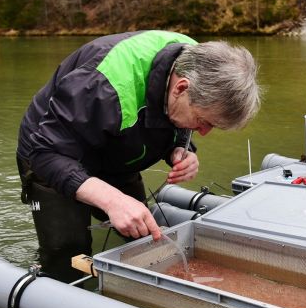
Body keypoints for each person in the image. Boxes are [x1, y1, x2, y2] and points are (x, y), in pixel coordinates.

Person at [17, 30, 262, 282]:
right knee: (69, 254)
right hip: (51, 149)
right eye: (202, 121)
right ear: (181, 87)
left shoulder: (196, 60)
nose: (204, 132)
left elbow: (173, 116)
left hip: (115, 149)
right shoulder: (102, 85)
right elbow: (44, 153)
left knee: (144, 236)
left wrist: (181, 148)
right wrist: (112, 201)